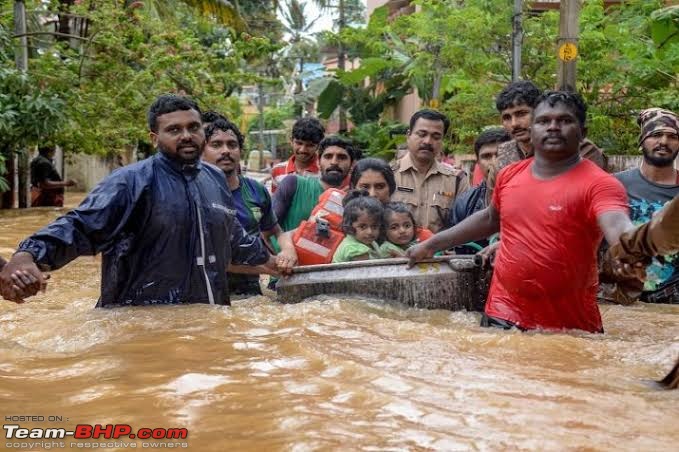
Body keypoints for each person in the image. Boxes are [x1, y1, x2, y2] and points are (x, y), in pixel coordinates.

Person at [0, 94, 278, 306]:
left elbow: (233, 238)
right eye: (174, 130)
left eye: (194, 127)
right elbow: (80, 226)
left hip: (209, 320)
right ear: (154, 137)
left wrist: (274, 263)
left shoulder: (214, 179)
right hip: (141, 324)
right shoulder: (131, 182)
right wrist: (28, 255)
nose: (186, 136)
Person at [407, 91, 635, 333]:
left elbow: (617, 224)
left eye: (565, 121)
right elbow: (489, 219)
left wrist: (635, 246)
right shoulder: (509, 174)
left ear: (583, 132)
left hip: (570, 327)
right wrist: (432, 245)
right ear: (533, 129)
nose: (553, 128)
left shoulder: (600, 184)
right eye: (544, 121)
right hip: (501, 312)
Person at [201, 118, 297, 296]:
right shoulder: (196, 194)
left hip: (251, 291)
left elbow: (276, 230)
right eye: (216, 145)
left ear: (240, 151)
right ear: (202, 152)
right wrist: (269, 267)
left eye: (232, 145)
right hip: (210, 290)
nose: (226, 151)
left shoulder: (256, 190)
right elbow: (211, 257)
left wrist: (288, 250)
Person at [613, 107, 679, 303]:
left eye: (672, 136)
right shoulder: (614, 185)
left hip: (673, 299)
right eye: (656, 134)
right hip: (622, 298)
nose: (664, 142)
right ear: (642, 141)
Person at [493, 80, 607, 172]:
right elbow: (493, 198)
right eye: (507, 117)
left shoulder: (579, 148)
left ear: (540, 112)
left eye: (521, 114)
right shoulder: (503, 154)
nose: (514, 124)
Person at [391, 109, 469, 233]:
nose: (427, 141)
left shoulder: (457, 180)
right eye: (422, 134)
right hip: (397, 252)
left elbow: (464, 224)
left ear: (442, 141)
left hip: (440, 251)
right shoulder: (388, 175)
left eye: (436, 137)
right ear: (408, 135)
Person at [273, 135, 355, 234]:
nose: (334, 162)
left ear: (352, 164)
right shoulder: (294, 184)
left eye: (342, 157)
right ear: (318, 162)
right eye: (328, 156)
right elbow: (267, 230)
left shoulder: (354, 201)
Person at [448, 128, 510, 253]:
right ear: (478, 162)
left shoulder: (532, 195)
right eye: (486, 156)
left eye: (500, 155)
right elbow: (460, 252)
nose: (494, 162)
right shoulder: (464, 202)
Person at [270, 117, 325, 192]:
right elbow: (275, 201)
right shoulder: (277, 170)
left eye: (310, 145)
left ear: (318, 146)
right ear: (291, 141)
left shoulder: (324, 171)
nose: (303, 149)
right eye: (299, 143)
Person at [332, 191, 385, 263]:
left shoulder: (370, 242)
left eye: (374, 226)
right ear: (350, 225)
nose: (370, 232)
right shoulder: (354, 249)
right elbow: (368, 272)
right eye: (362, 226)